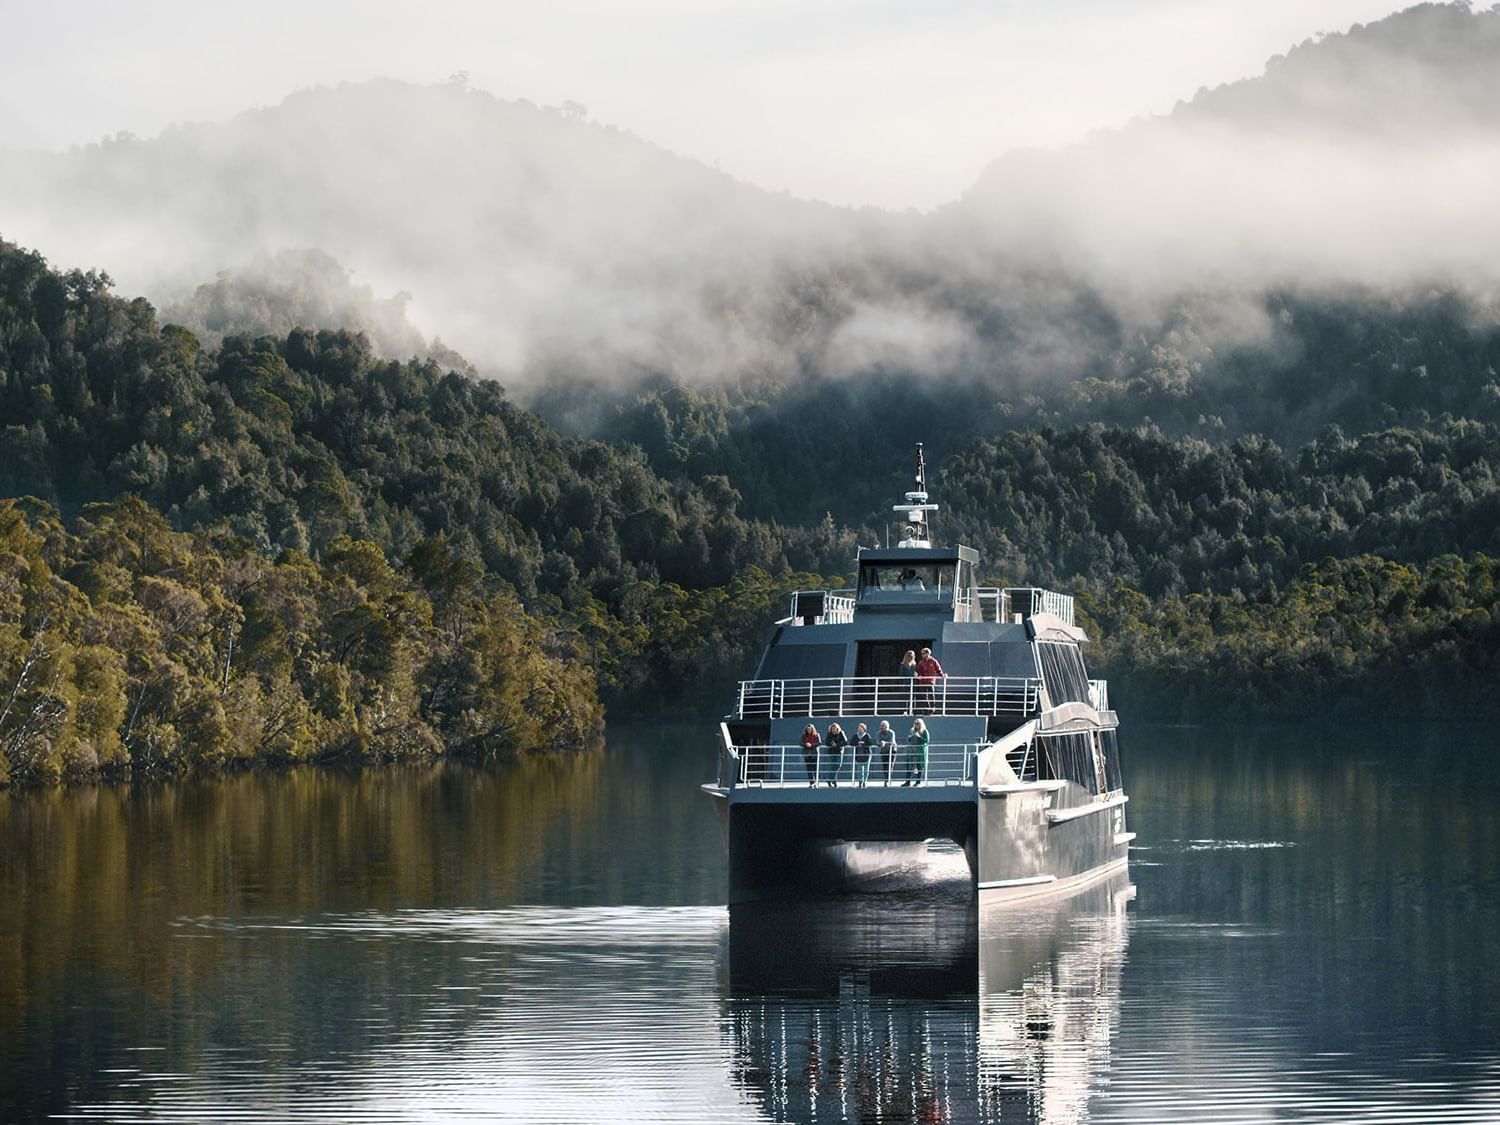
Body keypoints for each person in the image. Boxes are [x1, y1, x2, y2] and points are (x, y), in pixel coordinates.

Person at [916, 646, 946, 712]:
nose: (922, 655)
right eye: (922, 654)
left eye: (923, 653)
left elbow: (938, 669)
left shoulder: (934, 661)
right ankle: (927, 708)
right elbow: (919, 671)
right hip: (923, 682)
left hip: (930, 681)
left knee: (931, 695)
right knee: (924, 696)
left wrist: (942, 675)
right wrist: (918, 676)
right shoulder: (921, 663)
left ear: (928, 653)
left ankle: (932, 707)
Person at [904, 718, 929, 786]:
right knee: (909, 766)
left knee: (919, 766)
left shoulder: (924, 731)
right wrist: (911, 737)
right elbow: (908, 739)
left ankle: (918, 782)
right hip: (912, 751)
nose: (916, 725)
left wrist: (919, 737)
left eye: (918, 723)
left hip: (920, 751)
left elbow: (926, 741)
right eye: (915, 723)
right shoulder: (912, 730)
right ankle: (907, 782)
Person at [823, 721, 848, 786]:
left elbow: (845, 742)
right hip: (831, 752)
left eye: (835, 729)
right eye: (832, 729)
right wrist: (832, 744)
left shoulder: (841, 733)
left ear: (837, 729)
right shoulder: (829, 734)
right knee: (832, 766)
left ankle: (829, 779)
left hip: (839, 751)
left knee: (838, 765)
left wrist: (837, 744)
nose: (833, 730)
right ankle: (834, 781)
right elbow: (826, 742)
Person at [852, 722, 873, 787]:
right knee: (859, 769)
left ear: (864, 729)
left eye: (861, 728)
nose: (860, 729)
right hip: (858, 755)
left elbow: (870, 743)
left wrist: (863, 743)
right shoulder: (855, 736)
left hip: (866, 754)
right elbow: (851, 743)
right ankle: (860, 781)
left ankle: (865, 781)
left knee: (866, 769)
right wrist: (857, 743)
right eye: (859, 728)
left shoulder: (867, 735)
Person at [877, 720, 897, 785]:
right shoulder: (878, 733)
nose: (882, 727)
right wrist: (880, 743)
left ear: (887, 726)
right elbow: (877, 742)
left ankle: (888, 779)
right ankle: (886, 779)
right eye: (881, 726)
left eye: (884, 726)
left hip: (892, 751)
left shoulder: (891, 732)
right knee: (885, 766)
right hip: (883, 752)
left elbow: (892, 742)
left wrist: (884, 743)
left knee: (890, 765)